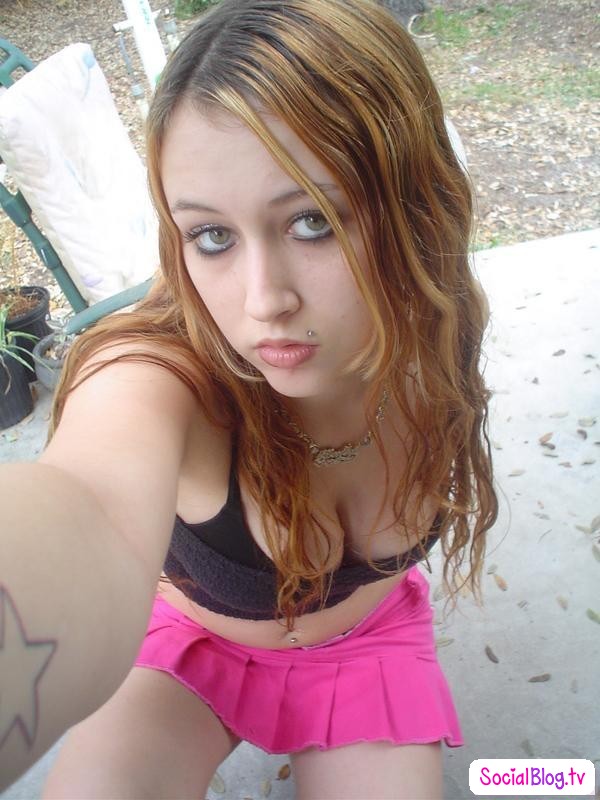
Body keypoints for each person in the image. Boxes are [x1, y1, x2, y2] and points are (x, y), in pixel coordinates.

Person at [0, 0, 498, 796]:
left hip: (367, 647)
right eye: (212, 236)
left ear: (415, 205)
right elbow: (85, 509)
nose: (264, 302)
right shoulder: (158, 376)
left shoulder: (432, 328)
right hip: (188, 651)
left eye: (312, 221)